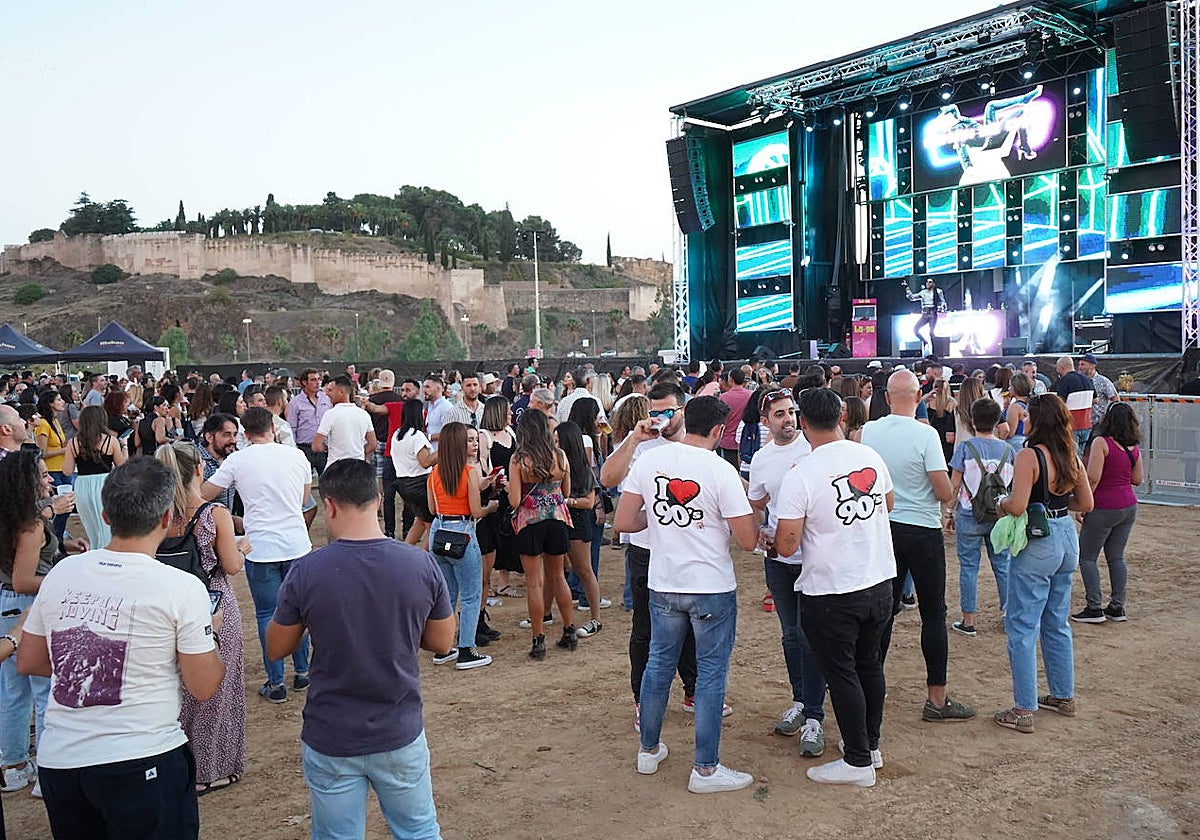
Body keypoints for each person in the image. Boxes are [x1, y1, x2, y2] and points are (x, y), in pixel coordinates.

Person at [16, 457, 225, 839]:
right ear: (166, 518)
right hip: (143, 756)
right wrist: (210, 633)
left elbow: (30, 659)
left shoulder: (62, 572)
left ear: (105, 515)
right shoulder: (180, 588)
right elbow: (203, 685)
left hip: (63, 760)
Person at [267, 460, 455, 837]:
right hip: (398, 728)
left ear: (331, 506)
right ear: (379, 497)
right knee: (418, 831)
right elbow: (441, 642)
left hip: (332, 733)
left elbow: (276, 646)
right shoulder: (420, 564)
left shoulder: (307, 570)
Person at [616, 396, 758, 794]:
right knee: (711, 674)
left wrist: (661, 522)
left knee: (658, 666)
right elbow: (747, 541)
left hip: (663, 582)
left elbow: (624, 520)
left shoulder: (648, 461)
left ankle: (648, 749)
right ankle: (706, 769)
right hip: (710, 585)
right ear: (717, 431)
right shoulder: (720, 470)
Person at [774, 388, 895, 787]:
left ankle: (858, 760)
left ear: (803, 423)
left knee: (842, 673)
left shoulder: (802, 474)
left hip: (831, 589)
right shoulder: (871, 456)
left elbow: (787, 544)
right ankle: (869, 746)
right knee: (868, 666)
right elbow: (888, 503)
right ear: (842, 416)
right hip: (878, 579)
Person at [601, 382, 722, 734]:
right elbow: (607, 477)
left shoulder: (698, 447)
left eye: (668, 411)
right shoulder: (639, 446)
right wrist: (634, 440)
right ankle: (643, 700)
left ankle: (693, 690)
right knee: (645, 629)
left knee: (693, 625)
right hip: (646, 551)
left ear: (682, 410)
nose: (660, 419)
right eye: (654, 412)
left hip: (687, 550)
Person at [862, 370, 975, 723]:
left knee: (883, 610)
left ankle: (869, 685)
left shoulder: (870, 431)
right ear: (917, 395)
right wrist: (951, 494)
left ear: (887, 395)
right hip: (923, 528)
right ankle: (936, 699)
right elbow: (942, 491)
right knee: (933, 614)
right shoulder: (925, 435)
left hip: (884, 526)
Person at [994, 394, 1093, 734]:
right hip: (1066, 535)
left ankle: (1023, 709)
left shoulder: (1029, 455)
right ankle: (1064, 695)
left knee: (1022, 627)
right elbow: (1087, 503)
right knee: (1057, 620)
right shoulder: (1071, 454)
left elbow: (1019, 505)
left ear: (1035, 420)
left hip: (1039, 540)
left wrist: (1000, 503)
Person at [156, 441, 250, 796]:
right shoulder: (213, 514)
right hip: (212, 604)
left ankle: (177, 764)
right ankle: (209, 768)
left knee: (176, 686)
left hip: (167, 604)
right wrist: (240, 548)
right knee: (217, 687)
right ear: (199, 469)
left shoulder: (158, 513)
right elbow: (231, 566)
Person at [202, 407, 312, 704]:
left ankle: (276, 681)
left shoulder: (238, 459)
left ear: (245, 434)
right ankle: (303, 671)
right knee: (300, 610)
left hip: (260, 546)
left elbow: (205, 493)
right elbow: (304, 499)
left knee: (267, 613)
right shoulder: (296, 456)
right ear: (273, 428)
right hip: (296, 544)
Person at [0, 451, 86, 799]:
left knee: (12, 693)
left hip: (5, 603)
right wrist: (65, 577)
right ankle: (48, 771)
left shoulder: (14, 517)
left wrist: (63, 546)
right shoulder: (32, 523)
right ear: (27, 482)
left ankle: (15, 766)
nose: (49, 478)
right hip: (27, 609)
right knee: (45, 690)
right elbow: (24, 578)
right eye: (41, 474)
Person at [747, 389, 828, 755]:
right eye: (779, 414)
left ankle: (814, 716)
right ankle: (800, 701)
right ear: (766, 421)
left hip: (814, 556)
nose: (788, 419)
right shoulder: (762, 458)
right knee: (790, 635)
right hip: (779, 559)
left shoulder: (814, 449)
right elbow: (756, 502)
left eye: (791, 412)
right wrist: (758, 534)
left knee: (813, 637)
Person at [425, 422, 497, 670]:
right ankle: (466, 649)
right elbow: (476, 511)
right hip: (463, 534)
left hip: (440, 531)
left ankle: (443, 648)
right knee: (471, 595)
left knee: (447, 594)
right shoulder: (469, 472)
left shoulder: (434, 472)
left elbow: (433, 509)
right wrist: (492, 507)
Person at [508, 410, 577, 659]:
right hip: (558, 519)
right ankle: (569, 629)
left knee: (534, 582)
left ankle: (538, 639)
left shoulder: (519, 459)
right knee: (558, 576)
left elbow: (515, 500)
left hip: (531, 521)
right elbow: (566, 491)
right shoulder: (560, 455)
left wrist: (508, 489)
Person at [946, 398, 1016, 636]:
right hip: (1000, 516)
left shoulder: (966, 448)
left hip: (969, 514)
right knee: (1003, 566)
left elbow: (954, 486)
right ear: (997, 422)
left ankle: (969, 620)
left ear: (973, 421)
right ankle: (1008, 614)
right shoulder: (1009, 451)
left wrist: (948, 512)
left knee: (968, 567)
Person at [1072, 402, 1141, 623]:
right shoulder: (1134, 447)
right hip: (1128, 505)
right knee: (1116, 557)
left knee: (1087, 557)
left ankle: (1094, 607)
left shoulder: (1102, 443)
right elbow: (1137, 480)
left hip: (1104, 505)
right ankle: (1117, 606)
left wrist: (1084, 504)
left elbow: (1093, 477)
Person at [556, 421, 605, 639]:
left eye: (557, 441)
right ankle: (546, 613)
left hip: (576, 521)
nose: (553, 444)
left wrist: (565, 501)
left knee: (583, 569)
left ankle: (596, 618)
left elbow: (588, 502)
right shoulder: (555, 464)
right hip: (560, 521)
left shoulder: (584, 470)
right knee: (555, 572)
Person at [62, 404, 128, 549]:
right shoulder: (111, 441)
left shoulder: (74, 442)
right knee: (107, 527)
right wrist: (125, 448)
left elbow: (66, 471)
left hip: (83, 486)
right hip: (105, 483)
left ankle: (95, 552)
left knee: (92, 529)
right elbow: (122, 467)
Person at [312, 376, 376, 466]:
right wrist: (357, 453)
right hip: (357, 467)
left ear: (341, 392)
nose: (326, 393)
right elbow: (372, 444)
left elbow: (316, 446)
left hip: (335, 467)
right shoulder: (364, 414)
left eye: (330, 390)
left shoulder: (330, 414)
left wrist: (329, 448)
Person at [34, 390, 72, 541]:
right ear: (50, 404)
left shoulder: (55, 421)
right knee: (59, 507)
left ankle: (58, 537)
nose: (62, 402)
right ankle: (55, 538)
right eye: (59, 400)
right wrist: (64, 449)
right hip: (52, 471)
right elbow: (41, 452)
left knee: (67, 507)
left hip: (61, 468)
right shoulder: (43, 424)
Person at [288, 368, 333, 476]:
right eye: (313, 380)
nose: (317, 383)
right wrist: (294, 449)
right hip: (305, 448)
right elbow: (292, 427)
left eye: (318, 379)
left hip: (323, 447)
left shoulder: (326, 398)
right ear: (304, 382)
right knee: (304, 480)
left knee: (328, 480)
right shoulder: (296, 402)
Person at [1054, 356, 1095, 452]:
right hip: (1087, 425)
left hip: (1072, 425)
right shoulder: (1087, 379)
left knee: (1072, 457)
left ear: (1061, 368)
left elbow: (1060, 403)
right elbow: (1096, 399)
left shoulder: (1064, 380)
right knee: (1080, 456)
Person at [717, 369, 754, 467]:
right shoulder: (751, 395)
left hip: (727, 441)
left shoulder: (723, 397)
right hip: (747, 440)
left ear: (731, 380)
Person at [905, 277, 947, 355]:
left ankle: (935, 352)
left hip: (932, 313)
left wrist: (941, 308)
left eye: (930, 282)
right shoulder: (923, 292)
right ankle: (925, 342)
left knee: (931, 332)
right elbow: (912, 298)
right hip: (924, 313)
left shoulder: (938, 291)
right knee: (915, 329)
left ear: (933, 284)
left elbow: (943, 301)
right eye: (927, 282)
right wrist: (907, 289)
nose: (928, 283)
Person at [1077, 354, 1119, 432]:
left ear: (1092, 365)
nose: (1080, 367)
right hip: (1082, 423)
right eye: (1079, 365)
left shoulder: (1103, 381)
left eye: (1083, 364)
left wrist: (1107, 416)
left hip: (1098, 423)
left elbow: (1115, 399)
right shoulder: (1078, 380)